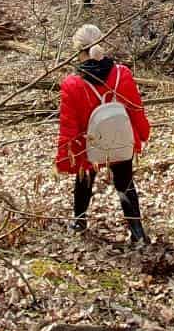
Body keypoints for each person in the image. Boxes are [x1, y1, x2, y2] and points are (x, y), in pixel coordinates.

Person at [55, 23, 150, 244]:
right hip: (121, 140)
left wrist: (65, 156)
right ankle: (137, 231)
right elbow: (136, 109)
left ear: (79, 51)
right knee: (125, 183)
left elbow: (69, 126)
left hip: (90, 145)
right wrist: (143, 134)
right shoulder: (122, 74)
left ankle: (79, 221)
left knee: (84, 182)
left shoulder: (72, 84)